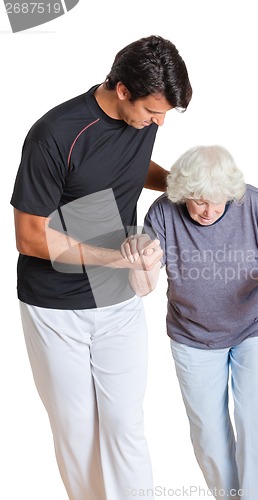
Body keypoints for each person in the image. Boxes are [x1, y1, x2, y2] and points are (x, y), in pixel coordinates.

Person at [10, 35, 192, 500]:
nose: (159, 121)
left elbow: (127, 164)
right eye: (154, 111)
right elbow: (29, 236)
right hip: (56, 307)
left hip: (118, 300)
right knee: (77, 431)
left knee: (125, 423)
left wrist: (178, 184)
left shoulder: (144, 119)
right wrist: (115, 256)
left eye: (165, 114)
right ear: (123, 90)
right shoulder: (55, 133)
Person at [123, 145, 258, 500]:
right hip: (192, 334)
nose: (209, 210)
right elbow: (143, 287)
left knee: (256, 420)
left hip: (254, 325)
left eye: (217, 201)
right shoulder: (164, 213)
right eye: (198, 201)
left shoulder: (251, 203)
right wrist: (139, 259)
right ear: (182, 193)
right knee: (208, 434)